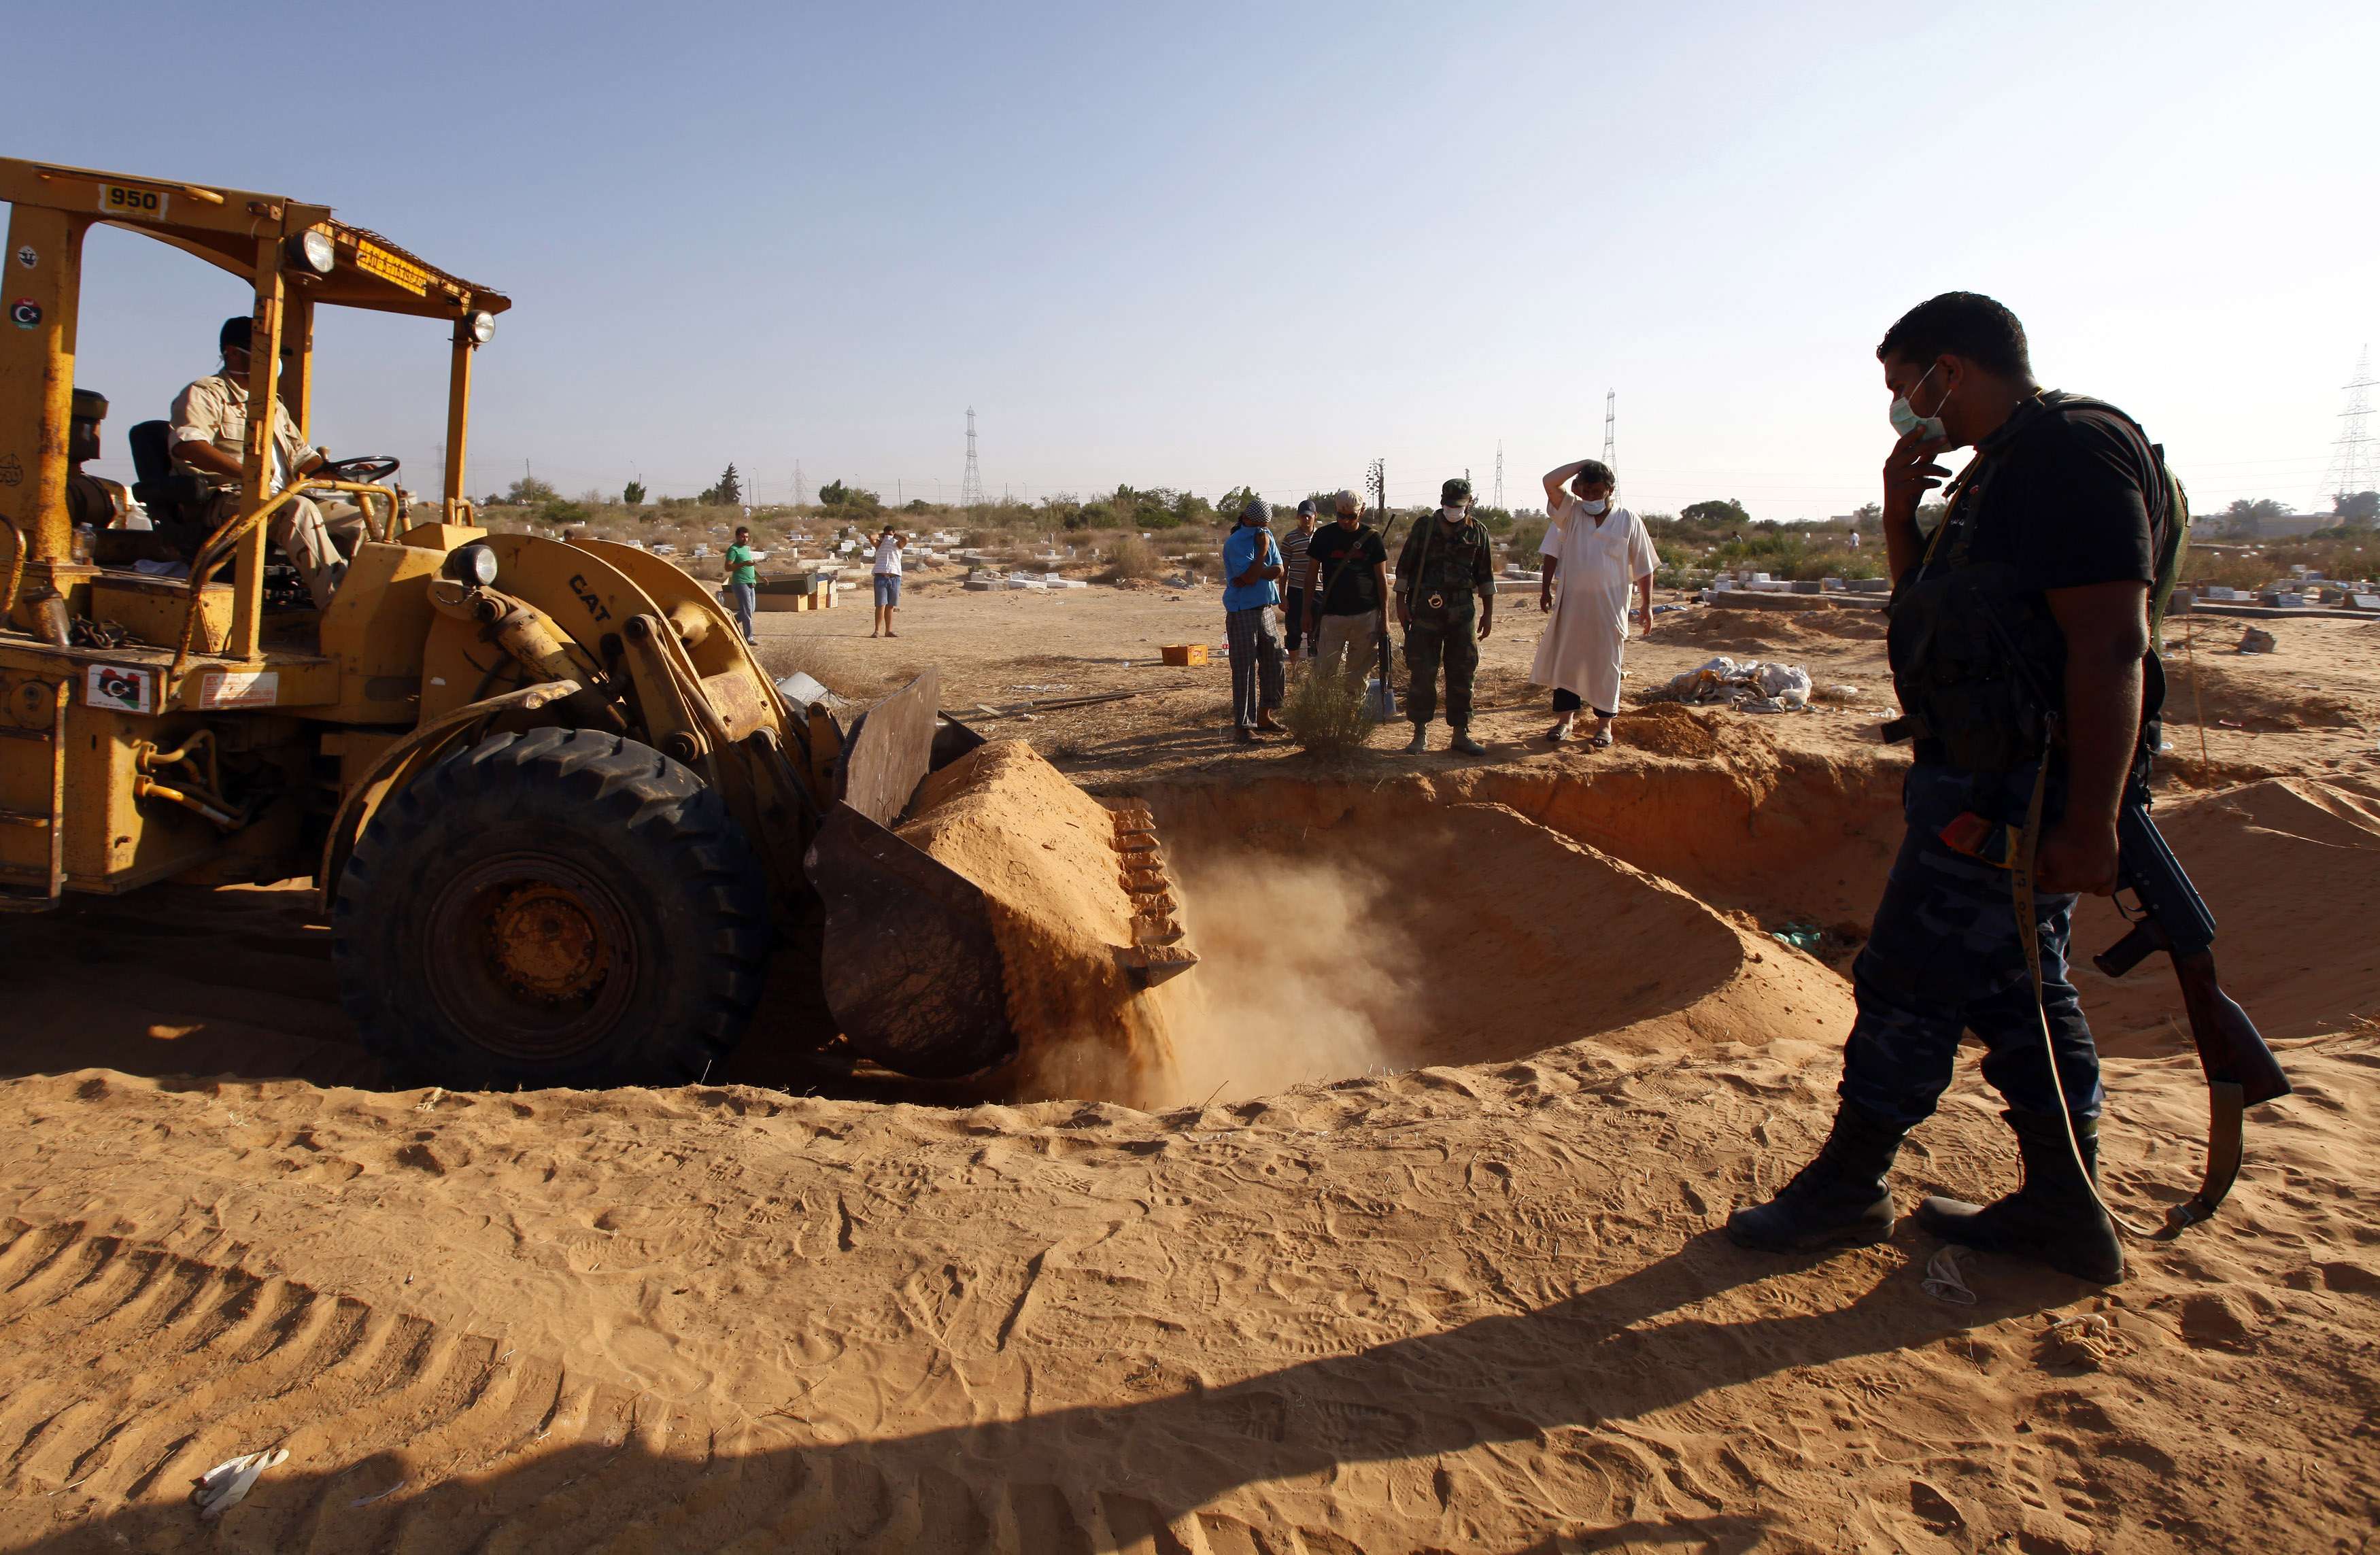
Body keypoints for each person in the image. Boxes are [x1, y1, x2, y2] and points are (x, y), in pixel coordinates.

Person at [1725, 292, 2171, 1286]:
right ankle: (2067, 1204)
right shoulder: (1996, 473)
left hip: (2016, 793)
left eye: (1903, 387)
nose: (1902, 408)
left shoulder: (2074, 451)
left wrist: (2093, 818)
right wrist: (1899, 513)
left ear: (1951, 371)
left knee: (1907, 978)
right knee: (2021, 994)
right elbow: (1928, 617)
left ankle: (1848, 1186)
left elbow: (2113, 642)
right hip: (1976, 773)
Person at [169, 316, 362, 610]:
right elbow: (188, 445)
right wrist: (249, 473)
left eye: (274, 354)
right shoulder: (206, 393)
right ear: (233, 353)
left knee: (356, 519)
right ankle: (341, 613)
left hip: (278, 497)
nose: (273, 362)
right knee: (300, 510)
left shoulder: (274, 404)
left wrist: (343, 472)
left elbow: (303, 456)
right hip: (229, 499)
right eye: (263, 353)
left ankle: (367, 599)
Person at [1533, 459, 1657, 747]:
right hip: (1572, 606)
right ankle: (1565, 722)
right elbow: (1549, 481)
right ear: (1577, 489)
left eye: (1596, 491)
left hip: (1610, 609)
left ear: (1610, 490)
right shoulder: (1572, 514)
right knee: (1568, 662)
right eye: (1584, 491)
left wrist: (1648, 606)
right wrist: (1582, 464)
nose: (1590, 497)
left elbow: (1644, 566)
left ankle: (1604, 726)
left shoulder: (1628, 520)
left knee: (1606, 664)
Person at [1394, 478, 1495, 754]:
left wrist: (1488, 614)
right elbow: (1405, 568)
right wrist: (1400, 604)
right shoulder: (1424, 528)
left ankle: (1461, 734)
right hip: (1427, 608)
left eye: (1459, 506)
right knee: (1423, 672)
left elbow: (1485, 576)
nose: (1454, 510)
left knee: (1463, 670)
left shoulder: (1477, 532)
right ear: (1442, 501)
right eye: (1450, 505)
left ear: (1469, 503)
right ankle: (1420, 733)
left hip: (1463, 611)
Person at [1302, 489, 1388, 689]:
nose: (1346, 521)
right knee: (1323, 674)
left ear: (1362, 512)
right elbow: (1311, 576)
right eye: (1341, 516)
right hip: (1332, 615)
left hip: (1366, 615)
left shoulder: (1372, 538)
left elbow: (1381, 579)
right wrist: (1306, 612)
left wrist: (1384, 618)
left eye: (1351, 516)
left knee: (1357, 678)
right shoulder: (1323, 536)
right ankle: (1324, 717)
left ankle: (1352, 715)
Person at [1221, 498, 1288, 742]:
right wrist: (1261, 554)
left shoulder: (1265, 535)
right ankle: (1243, 726)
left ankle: (1264, 715)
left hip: (1265, 608)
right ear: (1246, 519)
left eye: (1265, 525)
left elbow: (1278, 570)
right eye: (1258, 525)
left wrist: (1255, 572)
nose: (1261, 530)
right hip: (1242, 611)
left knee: (1274, 660)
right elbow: (1248, 578)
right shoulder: (1238, 542)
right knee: (1245, 668)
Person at [1279, 500, 1321, 661]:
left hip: (1319, 590)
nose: (1307, 519)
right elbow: (1284, 569)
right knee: (1294, 631)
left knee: (1319, 630)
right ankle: (1295, 669)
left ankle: (1316, 669)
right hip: (1296, 590)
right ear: (1298, 517)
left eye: (1309, 516)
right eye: (1303, 516)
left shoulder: (1322, 537)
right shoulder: (1290, 538)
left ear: (1315, 516)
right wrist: (1282, 596)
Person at [725, 525, 761, 645]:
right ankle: (748, 637)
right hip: (740, 583)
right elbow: (728, 567)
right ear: (737, 537)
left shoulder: (746, 549)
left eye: (747, 537)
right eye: (742, 537)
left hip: (751, 582)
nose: (745, 539)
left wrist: (760, 577)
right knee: (747, 611)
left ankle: (729, 622)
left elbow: (750, 566)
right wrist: (743, 564)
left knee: (750, 610)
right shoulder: (733, 550)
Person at [870, 525, 905, 637]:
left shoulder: (898, 545)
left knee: (890, 605)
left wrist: (893, 535)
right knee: (880, 605)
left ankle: (888, 631)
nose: (888, 537)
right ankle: (877, 631)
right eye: (886, 535)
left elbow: (906, 540)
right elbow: (871, 537)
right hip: (881, 576)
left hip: (895, 577)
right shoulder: (879, 545)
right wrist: (883, 535)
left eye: (889, 535)